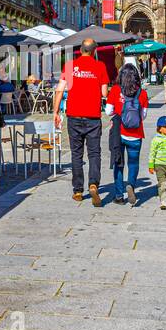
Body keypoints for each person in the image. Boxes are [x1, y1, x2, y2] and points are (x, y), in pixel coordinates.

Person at [53, 38, 110, 206]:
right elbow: (104, 93)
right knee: (94, 153)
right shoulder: (100, 67)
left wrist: (55, 112)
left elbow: (59, 90)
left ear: (81, 50)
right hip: (92, 117)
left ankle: (78, 190)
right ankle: (93, 184)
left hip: (74, 116)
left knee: (76, 154)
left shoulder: (70, 66)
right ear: (93, 51)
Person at [107, 63, 149, 206]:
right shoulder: (142, 93)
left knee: (119, 164)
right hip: (136, 134)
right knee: (133, 163)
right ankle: (131, 184)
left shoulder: (115, 90)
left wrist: (119, 112)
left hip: (119, 134)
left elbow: (108, 111)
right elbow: (143, 116)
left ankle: (119, 196)